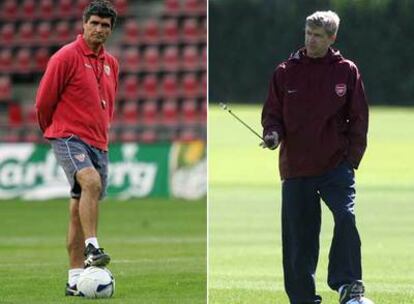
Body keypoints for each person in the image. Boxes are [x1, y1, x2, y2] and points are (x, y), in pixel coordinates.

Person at [261, 11, 372, 304]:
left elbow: (359, 118)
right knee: (299, 240)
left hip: (336, 166)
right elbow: (272, 115)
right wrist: (272, 135)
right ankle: (303, 299)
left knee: (346, 218)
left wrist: (350, 160)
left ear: (332, 38)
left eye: (318, 35)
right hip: (296, 167)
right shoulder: (285, 71)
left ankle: (348, 286)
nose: (311, 40)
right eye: (308, 33)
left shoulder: (347, 71)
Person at [35, 0, 119, 297]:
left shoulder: (111, 64)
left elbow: (107, 104)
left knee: (77, 209)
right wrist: (53, 131)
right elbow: (43, 101)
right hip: (68, 137)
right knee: (91, 182)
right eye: (94, 23)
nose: (99, 29)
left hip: (99, 142)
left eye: (105, 25)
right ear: (84, 24)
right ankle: (93, 248)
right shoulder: (65, 57)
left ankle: (73, 281)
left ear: (111, 30)